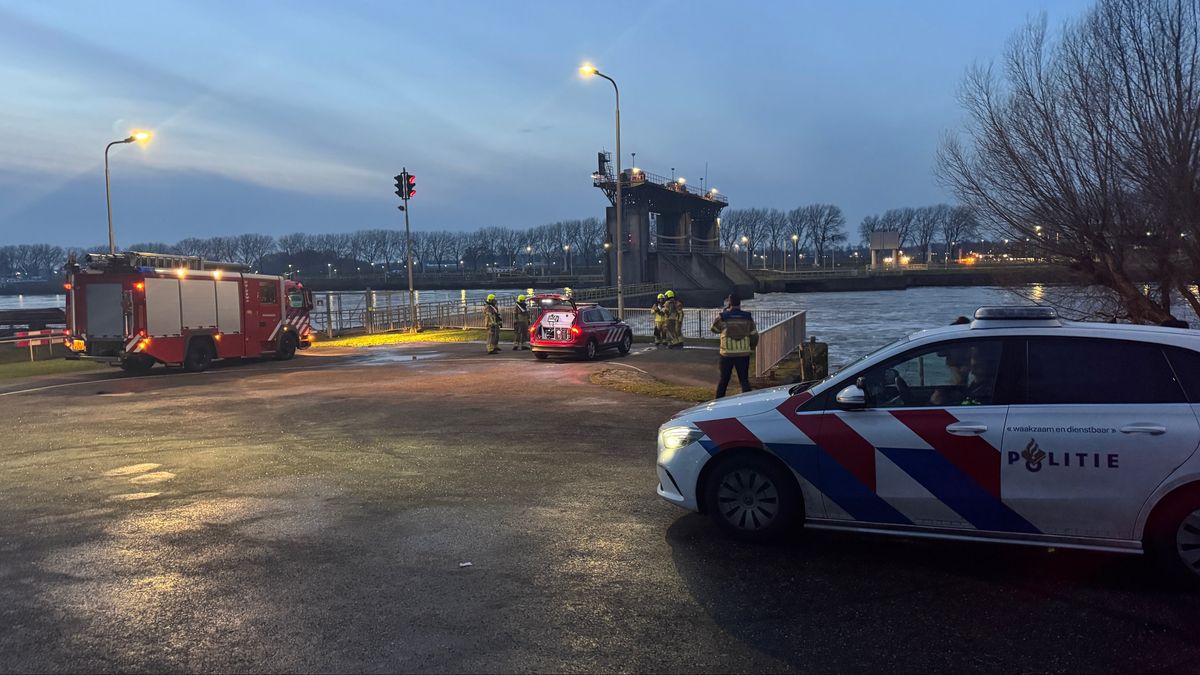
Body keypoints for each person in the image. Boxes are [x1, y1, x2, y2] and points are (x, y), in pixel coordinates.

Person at [711, 294, 758, 398]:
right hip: (743, 353)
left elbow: (714, 329)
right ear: (740, 303)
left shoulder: (723, 316)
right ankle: (748, 401)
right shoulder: (747, 316)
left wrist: (724, 314)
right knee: (744, 379)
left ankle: (718, 401)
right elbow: (754, 335)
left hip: (726, 353)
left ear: (729, 302)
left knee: (724, 379)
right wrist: (751, 348)